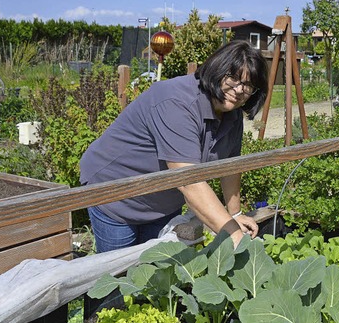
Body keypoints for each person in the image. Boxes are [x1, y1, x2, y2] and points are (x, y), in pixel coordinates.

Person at [79, 40, 268, 252]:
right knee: (119, 274)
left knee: (158, 269)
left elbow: (231, 167)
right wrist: (234, 235)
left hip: (162, 200)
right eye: (233, 77)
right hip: (116, 194)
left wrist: (234, 214)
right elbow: (189, 181)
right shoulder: (176, 101)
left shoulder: (231, 113)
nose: (239, 89)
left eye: (248, 85)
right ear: (217, 70)